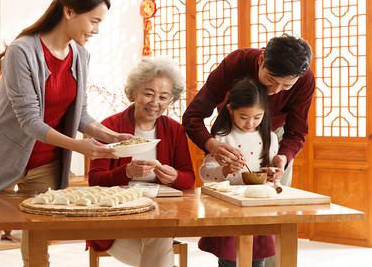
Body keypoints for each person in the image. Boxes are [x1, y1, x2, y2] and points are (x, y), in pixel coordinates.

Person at [0, 0, 132, 267]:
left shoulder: (81, 55)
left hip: (46, 164)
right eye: (93, 21)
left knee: (38, 253)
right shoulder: (23, 51)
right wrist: (81, 147)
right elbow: (30, 121)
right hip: (4, 160)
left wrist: (109, 135)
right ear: (69, 11)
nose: (96, 30)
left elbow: (79, 114)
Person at [86, 56, 196, 267]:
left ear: (170, 100)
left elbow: (189, 179)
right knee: (161, 247)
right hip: (115, 225)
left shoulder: (175, 130)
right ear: (134, 92)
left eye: (164, 97)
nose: (155, 103)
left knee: (160, 231)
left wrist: (174, 177)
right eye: (148, 94)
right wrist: (126, 172)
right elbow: (94, 180)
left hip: (157, 217)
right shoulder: (110, 127)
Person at [183, 33, 314, 186]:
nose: (276, 90)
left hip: (275, 135)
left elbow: (296, 132)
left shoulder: (305, 80)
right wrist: (212, 145)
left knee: (276, 191)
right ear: (261, 60)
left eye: (286, 86)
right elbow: (192, 116)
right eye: (271, 79)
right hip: (233, 130)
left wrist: (283, 157)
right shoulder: (237, 62)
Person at [198, 78, 278, 267]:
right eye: (243, 117)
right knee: (229, 261)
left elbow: (272, 177)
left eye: (257, 117)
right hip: (229, 210)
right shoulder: (222, 138)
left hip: (259, 211)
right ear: (230, 110)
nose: (250, 123)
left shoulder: (270, 138)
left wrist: (273, 174)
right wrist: (225, 170)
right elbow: (204, 173)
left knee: (258, 260)